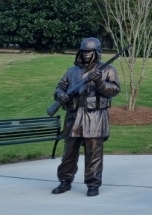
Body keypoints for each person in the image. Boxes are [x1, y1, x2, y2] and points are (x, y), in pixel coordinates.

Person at [51, 37, 120, 197]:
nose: (86, 54)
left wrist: (99, 83)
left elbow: (114, 90)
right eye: (84, 51)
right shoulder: (72, 71)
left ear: (96, 52)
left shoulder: (108, 69)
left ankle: (93, 184)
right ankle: (64, 181)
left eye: (90, 51)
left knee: (94, 153)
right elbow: (60, 88)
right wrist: (60, 95)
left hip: (95, 117)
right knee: (69, 152)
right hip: (74, 116)